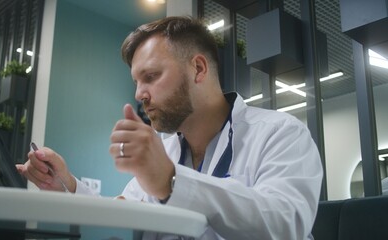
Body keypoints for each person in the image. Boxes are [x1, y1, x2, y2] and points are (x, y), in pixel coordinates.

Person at [16, 16, 323, 239]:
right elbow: (123, 215)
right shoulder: (165, 150)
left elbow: (286, 224)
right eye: (136, 82)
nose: (139, 94)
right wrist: (67, 185)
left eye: (150, 77)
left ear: (198, 69)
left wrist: (171, 180)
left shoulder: (281, 133)